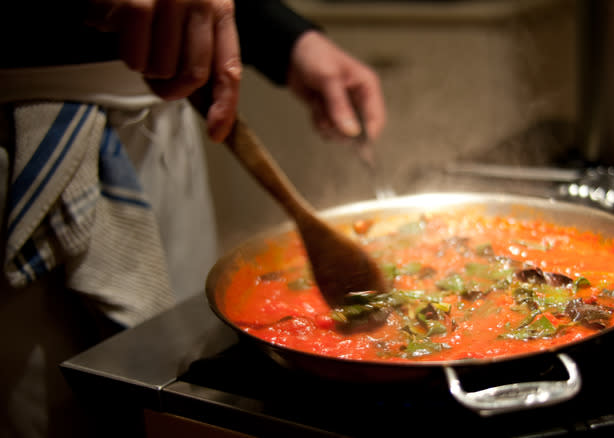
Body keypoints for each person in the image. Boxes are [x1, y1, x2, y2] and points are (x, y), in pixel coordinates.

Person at [0, 0, 386, 437]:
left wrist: (287, 39)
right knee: (50, 410)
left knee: (181, 366)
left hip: (166, 114)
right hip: (20, 140)